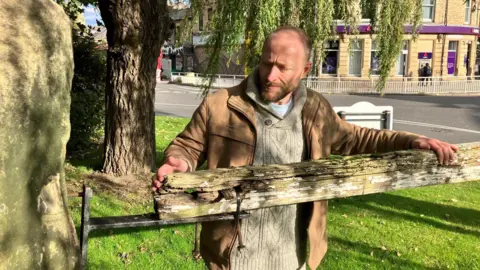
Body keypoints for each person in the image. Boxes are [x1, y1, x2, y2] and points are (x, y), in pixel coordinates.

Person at [152, 26, 457, 270]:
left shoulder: (315, 109)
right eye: (266, 63)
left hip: (293, 256)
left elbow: (358, 138)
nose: (270, 75)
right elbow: (187, 146)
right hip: (232, 256)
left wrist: (410, 140)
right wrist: (178, 162)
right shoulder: (220, 105)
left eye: (282, 68)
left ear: (305, 69)